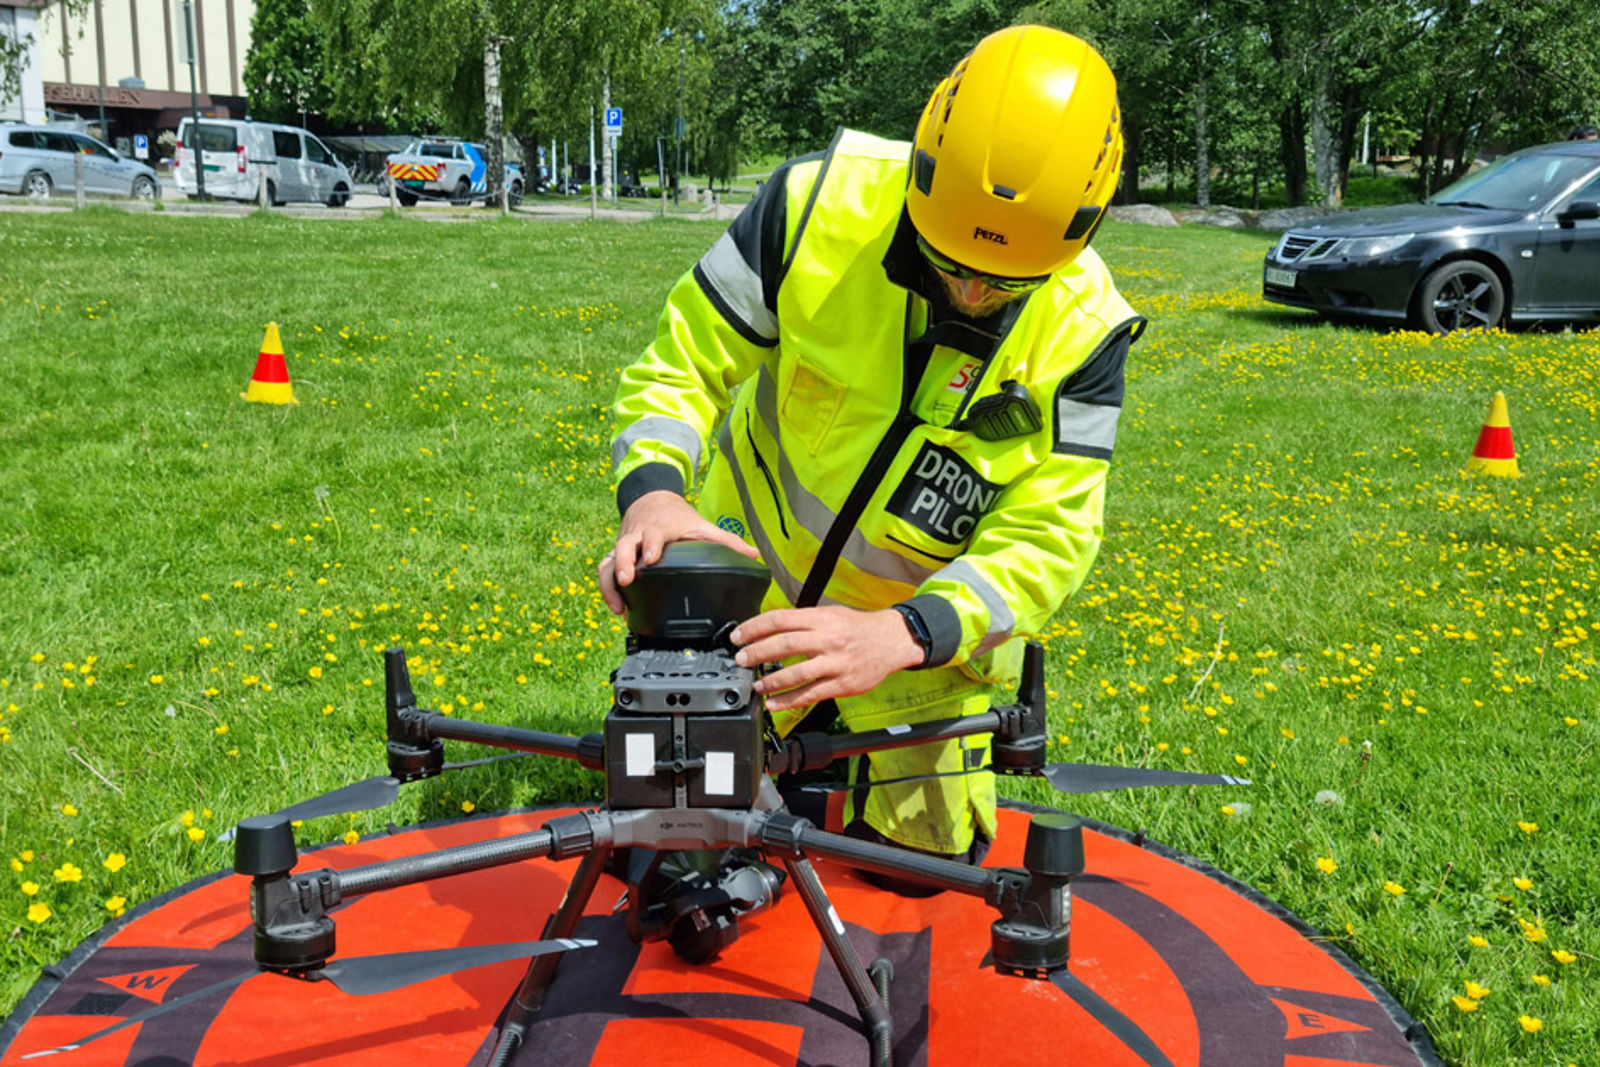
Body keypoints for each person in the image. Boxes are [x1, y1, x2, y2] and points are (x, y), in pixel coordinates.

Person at [601, 24, 1143, 876]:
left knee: (922, 871)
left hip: (910, 647)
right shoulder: (814, 208)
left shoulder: (1087, 334)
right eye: (946, 260)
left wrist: (903, 632)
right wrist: (656, 496)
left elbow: (1050, 537)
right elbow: (679, 364)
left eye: (1002, 285)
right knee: (678, 858)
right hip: (750, 601)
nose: (968, 294)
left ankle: (838, 770)